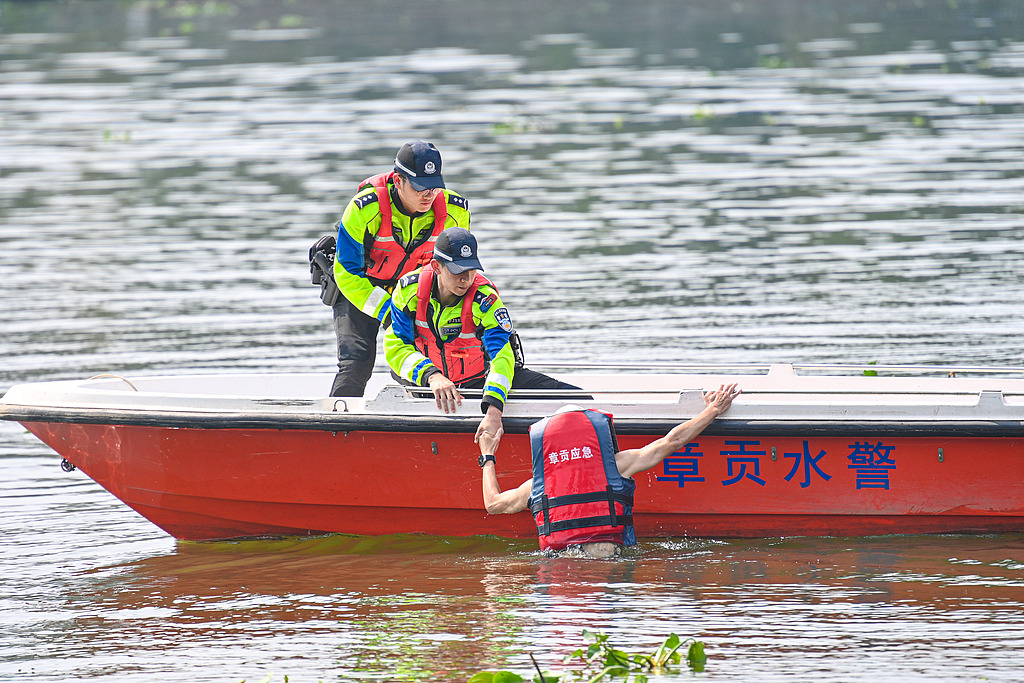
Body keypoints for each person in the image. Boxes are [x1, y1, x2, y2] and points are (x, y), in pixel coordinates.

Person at [475, 383, 741, 558]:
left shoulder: (537, 484)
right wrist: (713, 410)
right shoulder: (617, 465)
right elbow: (671, 442)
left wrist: (487, 456)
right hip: (610, 561)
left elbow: (493, 504)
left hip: (558, 567)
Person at [383, 226, 581, 441]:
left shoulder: (485, 299)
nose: (466, 279)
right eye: (458, 270)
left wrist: (494, 409)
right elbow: (397, 346)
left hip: (478, 380)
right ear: (436, 267)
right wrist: (433, 376)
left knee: (579, 401)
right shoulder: (408, 291)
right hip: (426, 383)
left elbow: (502, 356)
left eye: (472, 269)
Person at [320, 140, 472, 398]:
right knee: (357, 361)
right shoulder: (363, 208)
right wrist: (389, 310)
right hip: (361, 287)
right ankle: (337, 428)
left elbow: (455, 268)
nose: (429, 195)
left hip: (414, 290)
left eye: (434, 187)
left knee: (434, 359)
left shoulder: (456, 211)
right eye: (421, 187)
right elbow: (346, 271)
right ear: (398, 180)